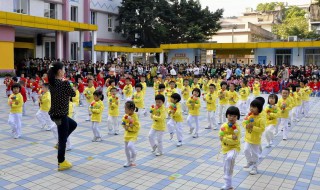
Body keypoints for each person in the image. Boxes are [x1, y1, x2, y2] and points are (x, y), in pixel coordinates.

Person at [48, 62, 77, 171]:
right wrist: (68, 83)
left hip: (54, 114)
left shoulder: (52, 83)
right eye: (64, 69)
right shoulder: (64, 83)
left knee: (73, 124)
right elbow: (73, 94)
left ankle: (60, 142)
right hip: (61, 115)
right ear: (60, 71)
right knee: (63, 139)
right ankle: (61, 162)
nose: (65, 71)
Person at [219, 106, 241, 190]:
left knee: (230, 158)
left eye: (234, 116)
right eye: (230, 115)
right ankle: (228, 185)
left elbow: (234, 141)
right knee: (226, 168)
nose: (231, 118)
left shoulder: (237, 128)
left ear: (237, 117)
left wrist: (225, 138)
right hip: (225, 149)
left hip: (234, 148)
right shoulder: (224, 125)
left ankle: (228, 185)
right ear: (227, 115)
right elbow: (220, 135)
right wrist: (230, 137)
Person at [242, 98, 266, 175]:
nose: (251, 108)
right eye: (251, 106)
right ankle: (250, 161)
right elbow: (244, 123)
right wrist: (246, 125)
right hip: (248, 137)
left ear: (258, 109)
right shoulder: (249, 116)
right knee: (245, 150)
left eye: (254, 107)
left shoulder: (261, 119)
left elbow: (262, 129)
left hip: (255, 140)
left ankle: (255, 167)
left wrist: (253, 127)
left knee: (255, 154)